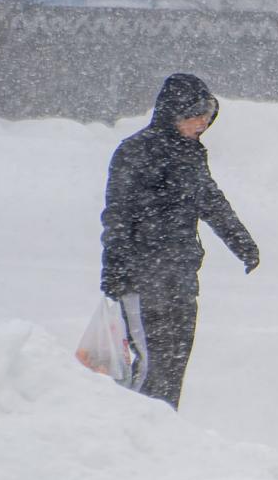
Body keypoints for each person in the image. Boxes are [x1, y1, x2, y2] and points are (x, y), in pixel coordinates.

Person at [100, 73, 260, 409]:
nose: (202, 124)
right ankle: (131, 432)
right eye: (195, 116)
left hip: (181, 277)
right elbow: (117, 215)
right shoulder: (135, 152)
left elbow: (212, 202)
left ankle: (163, 433)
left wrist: (242, 243)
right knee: (150, 361)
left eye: (206, 118)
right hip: (140, 277)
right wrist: (114, 270)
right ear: (174, 113)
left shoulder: (191, 155)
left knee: (174, 363)